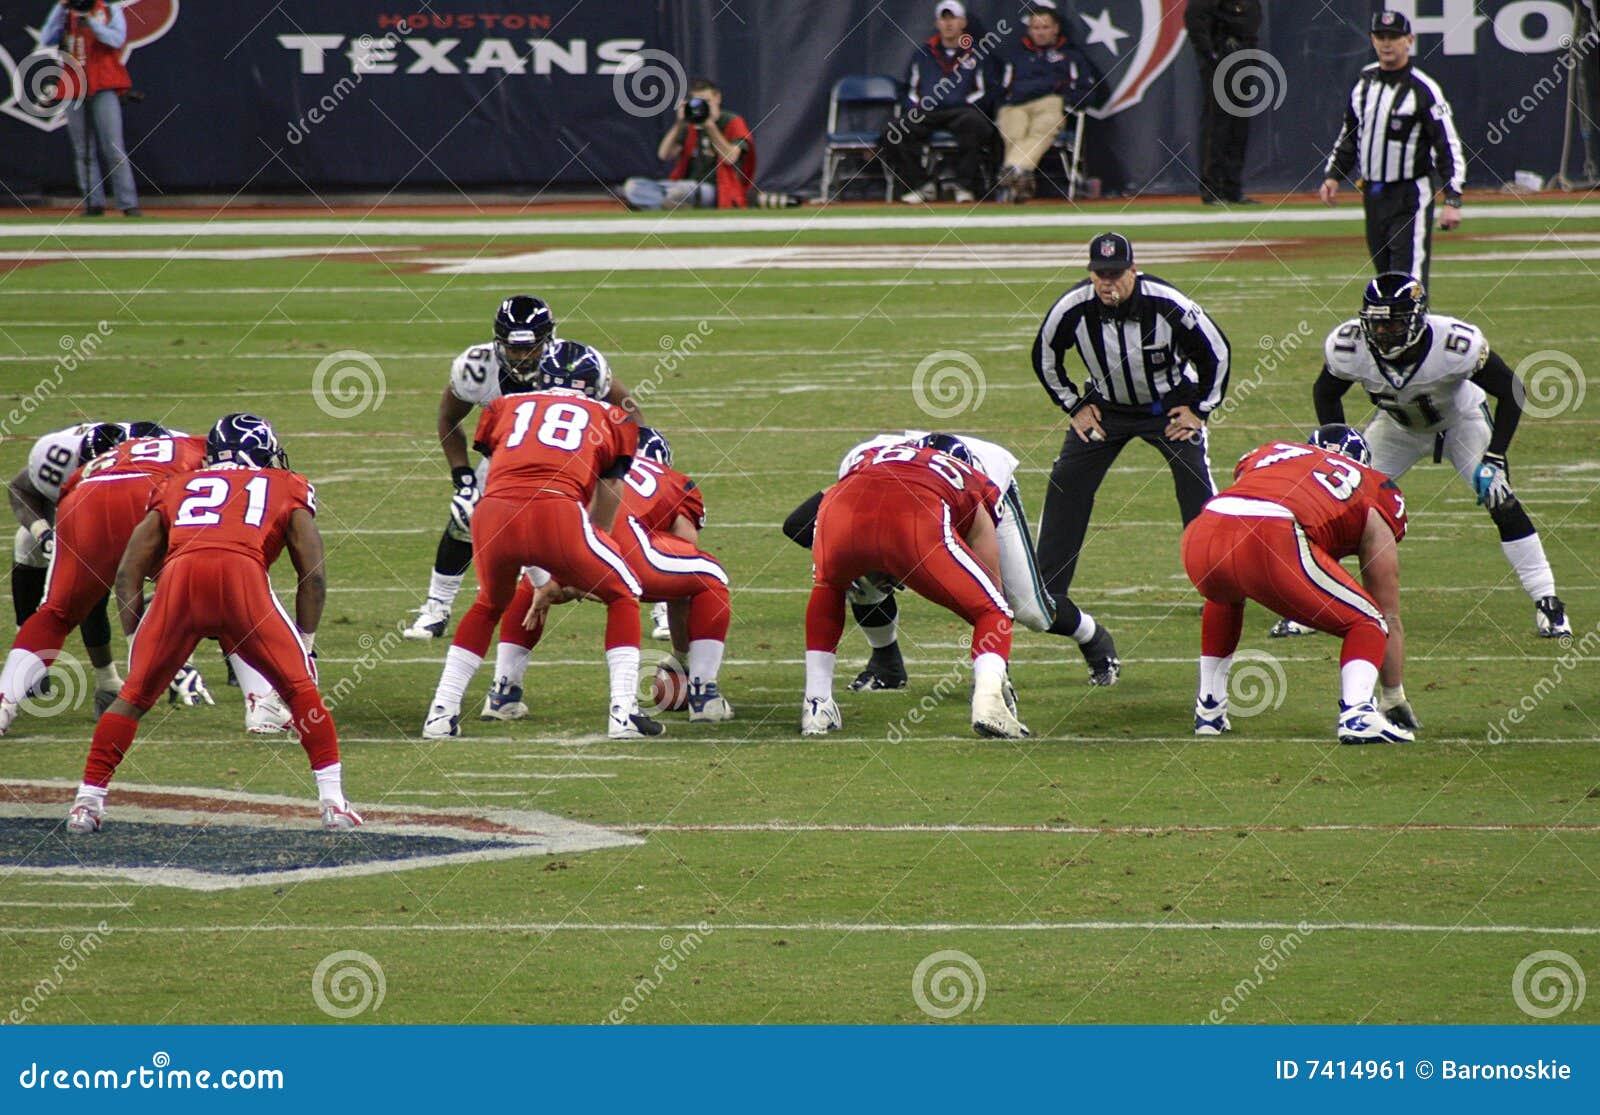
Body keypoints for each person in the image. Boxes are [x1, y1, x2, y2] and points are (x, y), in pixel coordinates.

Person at [65, 414, 360, 834]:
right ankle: (333, 802)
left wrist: (136, 638)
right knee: (299, 689)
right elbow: (312, 574)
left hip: (180, 581)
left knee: (132, 697)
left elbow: (129, 571)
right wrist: (306, 641)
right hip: (242, 579)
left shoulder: (174, 485)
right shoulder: (287, 483)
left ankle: (86, 803)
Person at [1306, 272, 1571, 639]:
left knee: (1502, 500)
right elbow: (1325, 392)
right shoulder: (1350, 346)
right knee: (1338, 504)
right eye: (1376, 325)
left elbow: (1512, 390)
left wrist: (1495, 457)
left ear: (1416, 319)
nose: (1383, 334)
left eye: (1394, 323)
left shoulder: (1454, 343)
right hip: (1397, 430)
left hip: (1461, 423)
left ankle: (1548, 601)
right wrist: (1338, 451)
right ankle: (1310, 603)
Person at [421, 345, 661, 741]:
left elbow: (503, 457)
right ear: (597, 382)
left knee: (487, 604)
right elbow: (610, 487)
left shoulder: (506, 406)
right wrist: (588, 554)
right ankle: (623, 713)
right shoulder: (610, 415)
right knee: (623, 592)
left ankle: (440, 714)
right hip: (555, 512)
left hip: (493, 512)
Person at [782, 430, 1119, 688]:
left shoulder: (980, 478)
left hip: (979, 514)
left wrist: (995, 665)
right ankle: (886, 663)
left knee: (1029, 608)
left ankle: (1092, 636)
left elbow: (992, 592)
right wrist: (871, 560)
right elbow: (798, 524)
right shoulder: (868, 464)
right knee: (860, 578)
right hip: (910, 512)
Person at [402, 295, 639, 641]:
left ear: (549, 340)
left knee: (620, 514)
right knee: (467, 513)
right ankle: (436, 607)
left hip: (574, 460)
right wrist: (461, 475)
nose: (521, 358)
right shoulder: (477, 367)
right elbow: (449, 417)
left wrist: (633, 458)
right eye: (513, 350)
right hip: (511, 459)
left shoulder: (576, 364)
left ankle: (654, 598)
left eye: (530, 349)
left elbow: (628, 408)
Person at [1182, 425, 1415, 745]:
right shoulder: (1375, 488)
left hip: (1203, 530)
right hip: (1270, 533)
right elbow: (1387, 611)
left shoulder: (1272, 452)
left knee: (1225, 595)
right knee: (1369, 620)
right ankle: (1358, 713)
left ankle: (1209, 709)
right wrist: (1392, 693)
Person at [1033, 232, 1231, 601]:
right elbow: (1045, 356)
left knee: (1195, 484)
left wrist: (1200, 409)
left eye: (1116, 273)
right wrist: (1074, 406)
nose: (1109, 283)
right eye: (1101, 274)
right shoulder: (1072, 308)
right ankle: (1046, 592)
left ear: (1134, 270)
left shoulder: (1167, 303)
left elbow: (1215, 352)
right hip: (1105, 411)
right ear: (1090, 274)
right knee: (1066, 480)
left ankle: (1218, 590)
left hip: (1168, 409)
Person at [489, 426, 734, 724]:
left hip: (574, 544)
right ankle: (703, 694)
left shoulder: (587, 469)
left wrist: (575, 582)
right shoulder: (675, 482)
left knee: (533, 585)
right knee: (709, 576)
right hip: (631, 557)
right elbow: (686, 561)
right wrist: (682, 656)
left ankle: (503, 692)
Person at [803, 439, 1026, 738]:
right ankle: (988, 703)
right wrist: (996, 663)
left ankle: (816, 705)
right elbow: (989, 573)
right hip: (914, 520)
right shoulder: (977, 482)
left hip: (841, 508)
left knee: (828, 586)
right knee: (994, 609)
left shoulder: (874, 453)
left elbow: (832, 504)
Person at [1319, 10, 1464, 286]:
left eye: (1394, 37)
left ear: (1409, 40)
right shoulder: (1364, 83)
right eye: (1381, 36)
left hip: (1410, 194)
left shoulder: (1424, 89)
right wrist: (1333, 175)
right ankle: (1391, 330)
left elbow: (1446, 145)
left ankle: (1416, 328)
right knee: (1384, 279)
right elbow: (1350, 135)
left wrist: (1452, 198)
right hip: (1373, 193)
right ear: (1373, 40)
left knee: (1408, 281)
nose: (1387, 43)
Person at [880, 1, 999, 204]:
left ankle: (963, 186)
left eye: (953, 18)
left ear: (963, 22)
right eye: (944, 19)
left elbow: (986, 91)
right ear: (937, 23)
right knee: (894, 131)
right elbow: (910, 90)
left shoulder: (978, 54)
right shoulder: (923, 54)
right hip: (928, 111)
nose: (948, 24)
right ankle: (922, 185)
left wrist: (962, 103)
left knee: (975, 124)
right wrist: (918, 106)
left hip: (963, 111)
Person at [40, 0, 141, 217]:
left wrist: (92, 24)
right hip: (73, 84)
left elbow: (116, 40)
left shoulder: (109, 9)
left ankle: (127, 203)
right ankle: (93, 203)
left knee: (114, 147)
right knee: (83, 150)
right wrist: (61, 9)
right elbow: (46, 38)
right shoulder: (66, 12)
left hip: (104, 83)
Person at [996, 1, 1098, 203]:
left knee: (1042, 125)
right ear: (1029, 30)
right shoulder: (1016, 57)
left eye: (1045, 27)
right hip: (1016, 106)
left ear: (1055, 29)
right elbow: (1001, 90)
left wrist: (1065, 100)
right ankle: (1019, 177)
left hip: (1051, 104)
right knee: (1015, 130)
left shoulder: (1070, 57)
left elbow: (1087, 90)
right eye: (1036, 28)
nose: (1040, 32)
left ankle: (1014, 170)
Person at [622, 76, 756, 210]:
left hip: (717, 189)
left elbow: (730, 158)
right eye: (698, 103)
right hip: (685, 185)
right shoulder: (691, 124)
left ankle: (654, 203)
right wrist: (679, 124)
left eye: (707, 101)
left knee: (678, 191)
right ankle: (670, 206)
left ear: (717, 98)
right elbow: (664, 154)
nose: (703, 107)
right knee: (633, 186)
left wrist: (710, 126)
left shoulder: (732, 121)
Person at [1184, 0, 1262, 205]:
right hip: (1220, 60)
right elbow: (1195, 21)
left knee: (1239, 128)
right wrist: (1211, 54)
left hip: (1244, 57)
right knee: (1217, 125)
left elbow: (1252, 22)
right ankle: (1212, 188)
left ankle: (1232, 187)